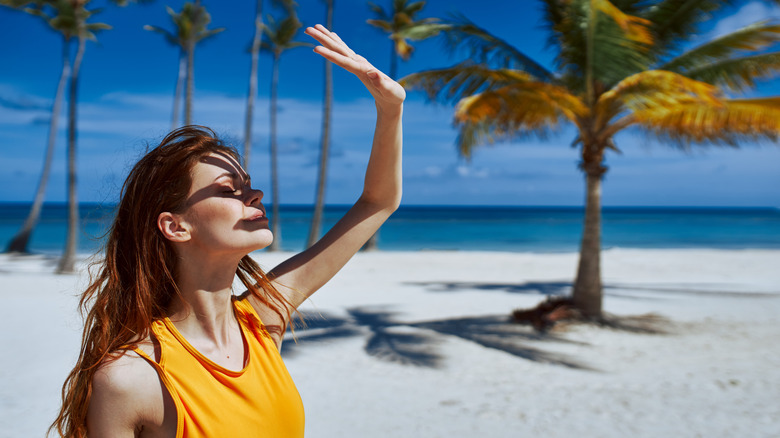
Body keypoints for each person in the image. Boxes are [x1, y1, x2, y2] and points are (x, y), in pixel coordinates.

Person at [50, 24, 404, 438]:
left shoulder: (261, 321)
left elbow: (378, 203)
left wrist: (390, 108)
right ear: (175, 226)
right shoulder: (130, 379)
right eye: (228, 190)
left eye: (248, 183)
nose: (255, 194)